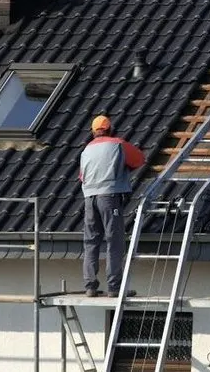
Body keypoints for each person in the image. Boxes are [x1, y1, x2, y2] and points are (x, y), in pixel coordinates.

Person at [79, 114, 145, 297]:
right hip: (109, 197)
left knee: (91, 241)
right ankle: (114, 287)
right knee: (114, 241)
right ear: (110, 129)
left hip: (89, 198)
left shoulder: (86, 150)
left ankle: (90, 286)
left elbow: (82, 177)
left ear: (93, 132)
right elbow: (139, 159)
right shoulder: (117, 144)